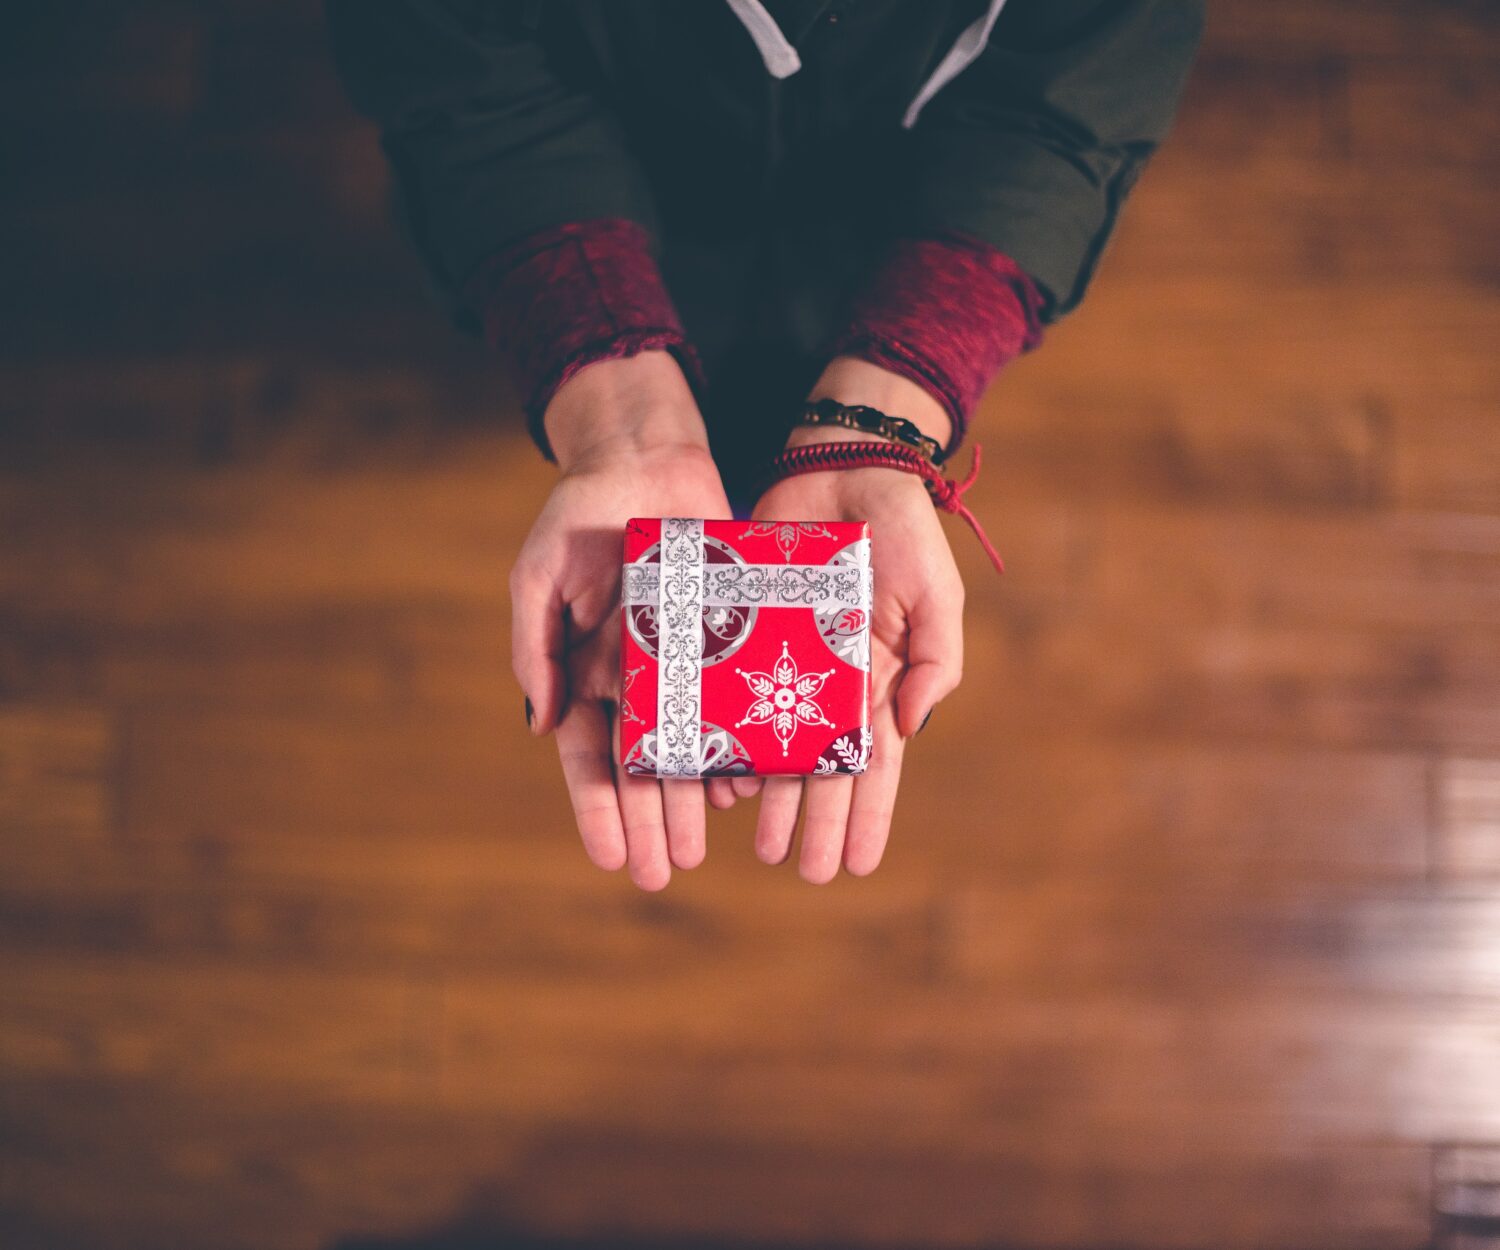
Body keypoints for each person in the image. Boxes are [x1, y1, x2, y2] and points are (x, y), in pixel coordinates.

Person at [327, 0, 1202, 889]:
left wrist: (893, 393)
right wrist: (611, 400)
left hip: (889, 239)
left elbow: (1074, 102)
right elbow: (458, 80)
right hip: (596, 212)